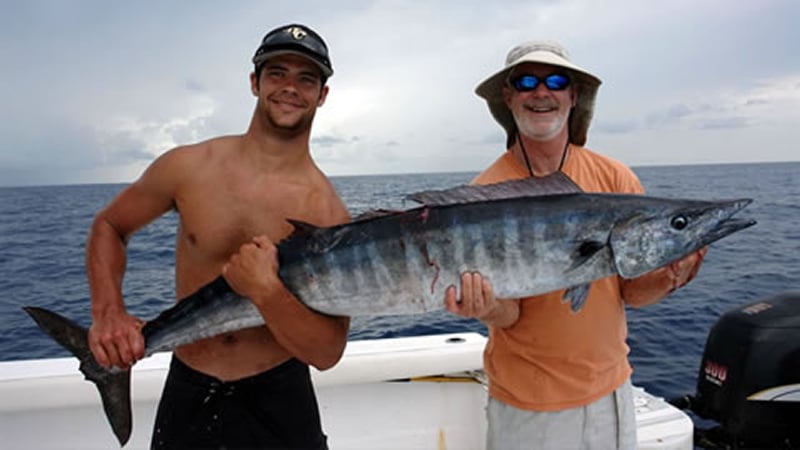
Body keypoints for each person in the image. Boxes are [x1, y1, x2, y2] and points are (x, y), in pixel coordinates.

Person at [85, 23, 350, 449]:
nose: (290, 88)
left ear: (322, 95)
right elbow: (109, 226)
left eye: (307, 78)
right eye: (277, 73)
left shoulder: (328, 212)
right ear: (254, 82)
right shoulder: (188, 167)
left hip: (281, 395)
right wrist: (109, 311)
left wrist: (267, 292)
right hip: (189, 387)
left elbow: (326, 353)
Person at [444, 40, 707, 449]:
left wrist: (671, 276)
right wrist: (487, 307)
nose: (542, 92)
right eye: (527, 81)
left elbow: (630, 292)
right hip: (527, 407)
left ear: (574, 95)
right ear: (508, 97)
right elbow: (510, 314)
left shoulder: (615, 178)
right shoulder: (485, 195)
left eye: (556, 81)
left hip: (613, 393)